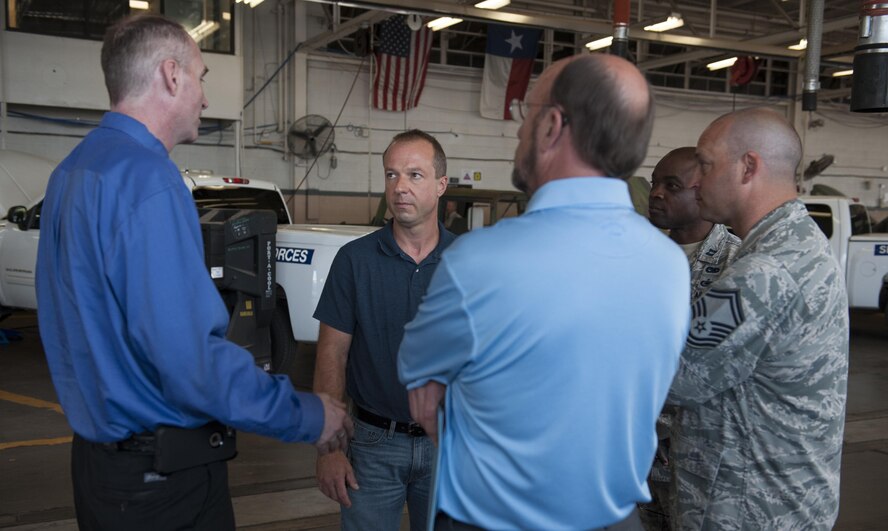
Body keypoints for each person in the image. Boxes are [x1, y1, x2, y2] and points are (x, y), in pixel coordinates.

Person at [35, 14, 351, 530]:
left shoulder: (72, 172)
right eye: (202, 76)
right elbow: (190, 364)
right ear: (171, 75)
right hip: (162, 481)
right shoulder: (149, 181)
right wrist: (310, 416)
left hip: (99, 468)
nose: (205, 97)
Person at [398, 54, 691, 530]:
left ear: (553, 126)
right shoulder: (672, 266)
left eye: (527, 113)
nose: (519, 131)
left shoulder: (480, 260)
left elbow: (420, 372)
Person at [666, 108, 849, 530]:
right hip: (782, 503)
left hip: (747, 509)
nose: (698, 183)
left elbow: (673, 374)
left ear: (748, 167)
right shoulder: (798, 244)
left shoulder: (765, 272)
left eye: (707, 165)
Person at [312, 130, 456, 530]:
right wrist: (328, 449)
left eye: (414, 175)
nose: (400, 187)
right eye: (391, 175)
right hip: (373, 445)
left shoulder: (470, 263)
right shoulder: (354, 261)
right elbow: (331, 355)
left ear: (441, 184)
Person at [641, 147, 741, 530]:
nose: (656, 193)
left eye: (672, 186)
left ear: (701, 193)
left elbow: (725, 369)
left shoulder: (738, 264)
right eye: (654, 184)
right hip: (636, 455)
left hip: (702, 462)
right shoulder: (636, 257)